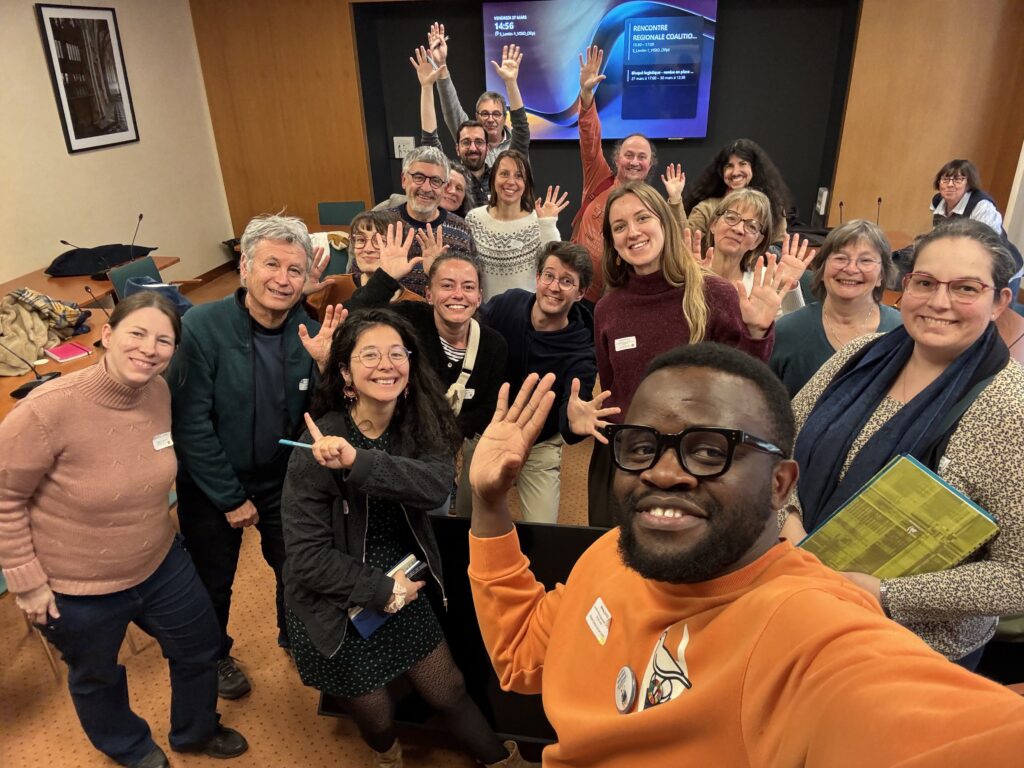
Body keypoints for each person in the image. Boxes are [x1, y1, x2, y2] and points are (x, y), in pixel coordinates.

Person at [465, 346, 1024, 768]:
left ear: (780, 485)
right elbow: (522, 656)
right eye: (643, 447)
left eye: (710, 451)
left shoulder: (807, 624)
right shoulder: (612, 553)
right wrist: (489, 504)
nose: (663, 472)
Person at [0, 292, 248, 768]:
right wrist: (27, 582)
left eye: (164, 341)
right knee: (97, 677)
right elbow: (6, 499)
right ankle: (130, 748)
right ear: (107, 335)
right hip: (76, 587)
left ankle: (195, 731)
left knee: (200, 648)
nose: (149, 349)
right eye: (137, 333)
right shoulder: (46, 410)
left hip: (160, 563)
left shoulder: (158, 393)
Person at [281, 308, 532, 768]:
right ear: (345, 373)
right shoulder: (318, 443)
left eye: (397, 353)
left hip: (403, 580)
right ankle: (388, 757)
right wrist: (380, 590)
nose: (386, 365)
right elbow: (307, 559)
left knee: (449, 688)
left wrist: (358, 462)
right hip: (336, 597)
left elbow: (435, 486)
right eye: (370, 355)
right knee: (376, 714)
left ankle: (504, 763)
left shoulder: (420, 422)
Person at [785, 218, 1024, 670]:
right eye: (925, 283)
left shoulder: (1012, 409)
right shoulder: (856, 357)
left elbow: (1018, 575)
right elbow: (780, 447)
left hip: (909, 655)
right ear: (904, 286)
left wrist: (882, 592)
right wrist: (790, 522)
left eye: (966, 288)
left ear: (999, 302)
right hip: (801, 602)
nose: (939, 302)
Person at [168, 214, 341, 700]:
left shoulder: (310, 332)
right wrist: (229, 497)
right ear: (244, 266)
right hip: (211, 484)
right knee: (212, 581)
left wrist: (326, 369)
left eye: (294, 269)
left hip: (282, 479)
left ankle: (295, 635)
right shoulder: (200, 327)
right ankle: (214, 656)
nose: (282, 279)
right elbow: (190, 423)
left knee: (296, 566)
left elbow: (320, 418)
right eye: (271, 265)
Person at [581, 181, 785, 526]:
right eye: (620, 226)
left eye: (642, 218)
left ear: (664, 223)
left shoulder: (713, 292)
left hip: (694, 460)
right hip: (625, 458)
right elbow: (614, 389)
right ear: (612, 242)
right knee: (609, 552)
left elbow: (744, 386)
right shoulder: (607, 308)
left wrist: (756, 332)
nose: (633, 232)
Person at [344, 249, 508, 516]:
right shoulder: (409, 319)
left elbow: (488, 408)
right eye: (447, 285)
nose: (458, 294)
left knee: (451, 516)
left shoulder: (493, 345)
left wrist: (445, 437)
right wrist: (386, 278)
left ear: (479, 297)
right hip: (399, 438)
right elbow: (351, 317)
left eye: (468, 287)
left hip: (449, 446)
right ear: (429, 294)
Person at [480, 241, 598, 523]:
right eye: (549, 276)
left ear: (581, 293)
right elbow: (467, 329)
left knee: (545, 529)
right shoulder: (507, 304)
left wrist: (573, 424)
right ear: (537, 277)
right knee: (464, 523)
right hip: (488, 432)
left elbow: (574, 408)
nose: (554, 287)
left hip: (540, 443)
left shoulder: (582, 349)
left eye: (567, 281)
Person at [573, 46, 682, 304]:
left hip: (619, 298)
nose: (634, 161)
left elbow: (675, 242)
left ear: (650, 165)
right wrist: (586, 95)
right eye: (629, 155)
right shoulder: (599, 178)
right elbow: (589, 138)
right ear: (617, 159)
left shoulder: (651, 203)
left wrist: (676, 201)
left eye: (641, 157)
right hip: (577, 292)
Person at [771, 219, 902, 396]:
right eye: (841, 258)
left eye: (865, 260)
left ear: (882, 275)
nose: (851, 269)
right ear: (822, 269)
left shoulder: (902, 331)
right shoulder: (787, 330)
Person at [466, 149, 567, 300]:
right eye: (504, 174)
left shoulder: (539, 222)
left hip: (526, 312)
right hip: (484, 311)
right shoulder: (474, 219)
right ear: (493, 179)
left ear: (526, 183)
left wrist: (547, 224)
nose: (511, 181)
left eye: (518, 176)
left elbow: (555, 265)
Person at [428, 23, 530, 167]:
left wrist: (511, 82)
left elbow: (521, 126)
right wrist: (441, 64)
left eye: (496, 114)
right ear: (477, 117)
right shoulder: (470, 139)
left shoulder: (517, 143)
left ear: (504, 117)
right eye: (485, 114)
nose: (490, 119)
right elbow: (452, 110)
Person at [700, 188, 810, 316]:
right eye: (731, 218)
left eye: (751, 226)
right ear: (714, 224)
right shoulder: (690, 273)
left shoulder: (765, 280)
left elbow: (795, 326)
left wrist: (788, 287)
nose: (738, 229)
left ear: (757, 242)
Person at [388, 145, 477, 297]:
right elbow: (356, 287)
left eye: (435, 181)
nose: (426, 188)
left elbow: (470, 288)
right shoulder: (381, 225)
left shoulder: (461, 230)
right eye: (418, 177)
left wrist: (436, 272)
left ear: (443, 187)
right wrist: (386, 277)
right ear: (404, 180)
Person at [685, 138, 792, 247]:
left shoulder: (773, 209)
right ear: (721, 172)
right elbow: (685, 244)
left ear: (754, 168)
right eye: (729, 166)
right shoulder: (705, 209)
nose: (735, 172)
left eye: (743, 164)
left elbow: (779, 246)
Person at [315, 211, 426, 309]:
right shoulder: (331, 286)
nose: (368, 249)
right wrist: (305, 293)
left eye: (380, 241)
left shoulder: (416, 304)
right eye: (361, 240)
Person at [930, 159, 1006, 234]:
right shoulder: (937, 201)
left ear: (969, 183)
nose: (950, 185)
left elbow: (989, 240)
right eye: (945, 179)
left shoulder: (982, 206)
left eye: (957, 179)